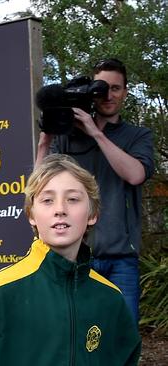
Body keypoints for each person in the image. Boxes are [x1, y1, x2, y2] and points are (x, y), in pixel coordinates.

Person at [0, 154, 141, 366]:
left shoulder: (111, 299)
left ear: (92, 214)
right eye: (47, 200)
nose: (60, 209)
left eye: (73, 199)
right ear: (31, 214)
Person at [35, 58, 154, 324]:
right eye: (103, 89)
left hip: (120, 259)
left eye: (116, 88)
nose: (108, 96)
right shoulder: (67, 137)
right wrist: (45, 142)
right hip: (74, 257)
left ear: (125, 92)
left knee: (121, 338)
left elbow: (135, 175)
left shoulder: (137, 135)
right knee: (75, 335)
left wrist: (97, 133)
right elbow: (39, 186)